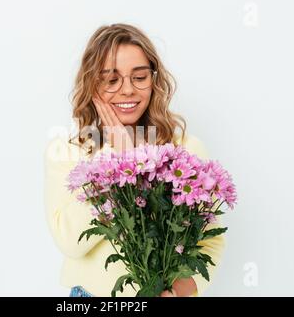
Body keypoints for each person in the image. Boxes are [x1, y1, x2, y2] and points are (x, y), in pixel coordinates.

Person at [44, 23, 225, 297]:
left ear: (154, 81)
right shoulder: (68, 151)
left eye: (139, 77)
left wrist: (179, 293)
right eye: (111, 79)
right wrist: (118, 159)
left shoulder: (185, 149)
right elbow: (70, 242)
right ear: (92, 84)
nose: (127, 90)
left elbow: (209, 240)